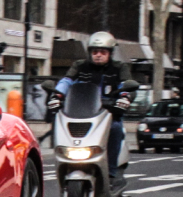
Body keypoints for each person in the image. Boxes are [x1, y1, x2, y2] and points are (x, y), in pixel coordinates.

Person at [50, 31, 134, 183]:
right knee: (60, 125)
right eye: (95, 52)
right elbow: (67, 81)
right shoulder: (80, 66)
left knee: (115, 129)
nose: (98, 55)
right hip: (81, 112)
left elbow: (126, 85)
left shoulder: (119, 68)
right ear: (90, 53)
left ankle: (112, 173)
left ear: (110, 53)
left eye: (103, 52)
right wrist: (57, 96)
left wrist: (125, 97)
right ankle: (64, 165)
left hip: (109, 113)